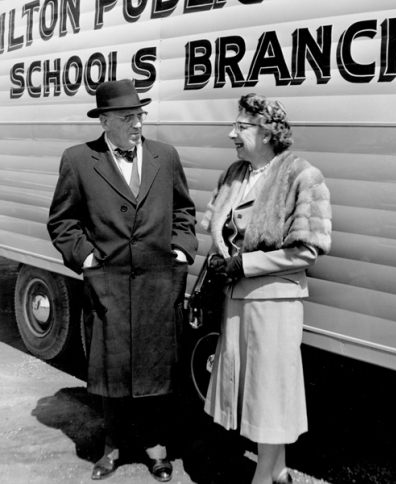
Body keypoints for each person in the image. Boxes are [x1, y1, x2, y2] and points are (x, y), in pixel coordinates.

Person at [47, 79, 198, 482]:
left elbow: (184, 210)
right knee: (112, 372)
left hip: (157, 284)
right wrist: (89, 258)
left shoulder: (165, 156)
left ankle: (155, 447)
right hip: (108, 285)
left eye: (140, 115)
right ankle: (111, 445)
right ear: (106, 121)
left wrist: (182, 250)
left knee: (155, 369)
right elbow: (63, 222)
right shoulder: (79, 159)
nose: (137, 124)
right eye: (128, 117)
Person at [200, 93, 332, 484]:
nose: (231, 134)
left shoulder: (302, 176)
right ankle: (279, 472)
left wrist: (245, 263)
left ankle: (263, 476)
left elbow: (308, 248)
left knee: (269, 393)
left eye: (241, 127)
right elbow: (216, 232)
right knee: (253, 392)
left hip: (274, 301)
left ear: (268, 132)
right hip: (236, 299)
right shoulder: (235, 174)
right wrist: (206, 281)